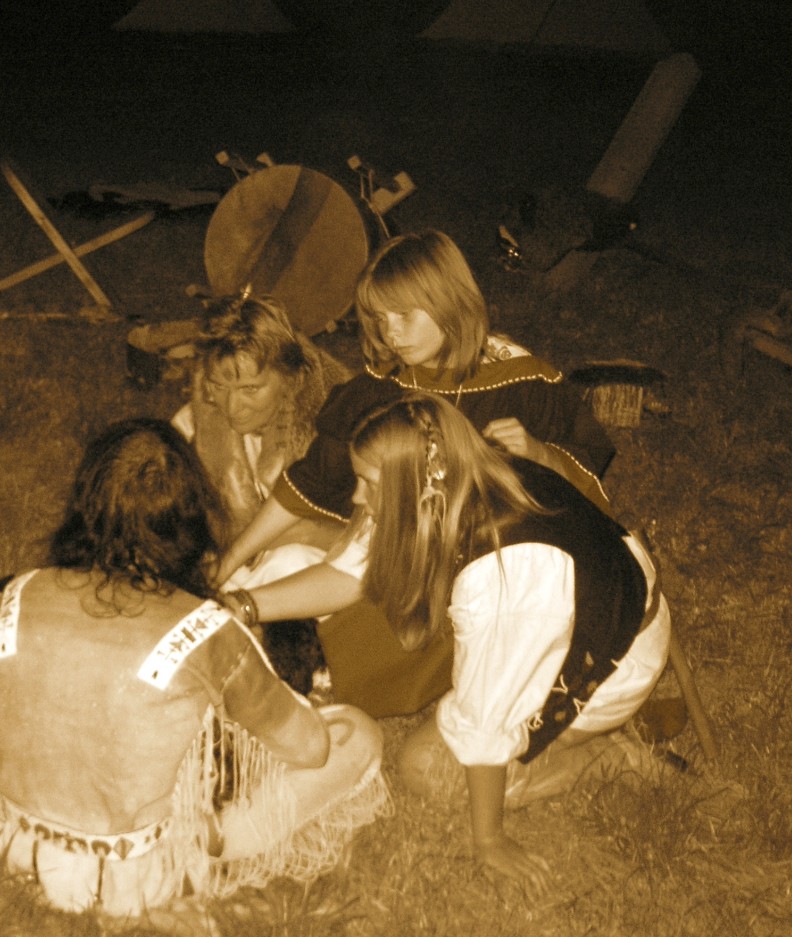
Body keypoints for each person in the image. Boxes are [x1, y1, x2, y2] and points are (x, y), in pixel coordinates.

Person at [0, 419, 389, 937]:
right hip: (135, 873)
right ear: (191, 521)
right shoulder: (207, 630)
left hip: (12, 845)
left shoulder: (22, 590)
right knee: (355, 734)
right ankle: (208, 849)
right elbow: (308, 748)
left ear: (84, 507)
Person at [216, 230, 615, 717]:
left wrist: (540, 453)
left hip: (479, 573)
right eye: (380, 320)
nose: (392, 335)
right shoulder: (384, 386)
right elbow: (312, 481)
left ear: (448, 301)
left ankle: (331, 667)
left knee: (362, 623)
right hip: (386, 548)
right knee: (287, 555)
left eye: (404, 316)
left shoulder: (522, 382)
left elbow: (589, 501)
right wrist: (231, 558)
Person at [336, 393, 669, 887]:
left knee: (426, 768)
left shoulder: (503, 575)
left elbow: (486, 718)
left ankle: (618, 758)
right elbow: (353, 568)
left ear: (421, 482)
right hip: (595, 605)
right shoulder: (464, 475)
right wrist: (245, 604)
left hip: (610, 659)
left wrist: (488, 839)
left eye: (370, 484)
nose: (356, 498)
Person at [171, 292, 353, 589]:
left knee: (289, 562)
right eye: (218, 387)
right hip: (235, 569)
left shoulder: (338, 431)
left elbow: (373, 542)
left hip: (327, 574)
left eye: (250, 389)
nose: (232, 407)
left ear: (291, 380)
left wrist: (298, 533)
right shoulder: (192, 426)